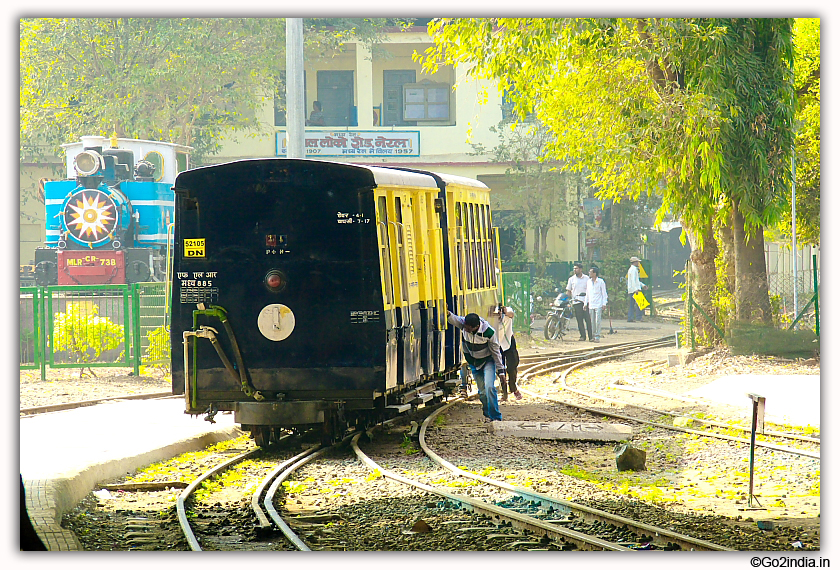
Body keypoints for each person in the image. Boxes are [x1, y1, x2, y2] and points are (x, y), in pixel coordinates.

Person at [448, 309, 504, 422]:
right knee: (482, 392)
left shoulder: (489, 332)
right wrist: (447, 312)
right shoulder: (464, 324)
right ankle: (488, 414)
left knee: (489, 387)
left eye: (469, 329)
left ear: (476, 326)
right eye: (465, 328)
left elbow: (496, 352)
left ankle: (496, 417)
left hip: (488, 361)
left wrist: (501, 370)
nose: (466, 330)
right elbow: (454, 319)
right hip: (474, 363)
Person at [490, 304, 521, 401]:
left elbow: (511, 313)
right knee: (500, 368)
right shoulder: (490, 318)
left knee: (512, 366)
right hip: (496, 344)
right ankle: (504, 393)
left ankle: (513, 388)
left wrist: (504, 311)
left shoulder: (507, 312)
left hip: (508, 341)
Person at [566, 262, 593, 341]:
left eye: (576, 268)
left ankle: (591, 336)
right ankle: (582, 336)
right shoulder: (571, 279)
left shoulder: (587, 278)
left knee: (588, 319)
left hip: (585, 301)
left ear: (580, 269)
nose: (575, 270)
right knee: (579, 320)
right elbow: (569, 290)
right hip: (576, 301)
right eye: (574, 268)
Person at [583, 266, 608, 343]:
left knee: (598, 321)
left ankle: (597, 335)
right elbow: (587, 293)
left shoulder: (601, 282)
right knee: (592, 321)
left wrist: (604, 303)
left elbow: (604, 293)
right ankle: (593, 335)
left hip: (599, 304)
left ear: (595, 273)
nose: (589, 273)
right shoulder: (588, 282)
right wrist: (585, 303)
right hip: (591, 304)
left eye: (591, 272)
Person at [626, 256, 648, 323]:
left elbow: (636, 280)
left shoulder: (633, 269)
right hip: (635, 290)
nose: (638, 263)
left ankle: (632, 317)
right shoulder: (633, 270)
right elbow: (633, 280)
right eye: (637, 262)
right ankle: (638, 317)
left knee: (633, 304)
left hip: (633, 289)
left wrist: (642, 285)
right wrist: (636, 289)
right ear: (634, 262)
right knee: (640, 303)